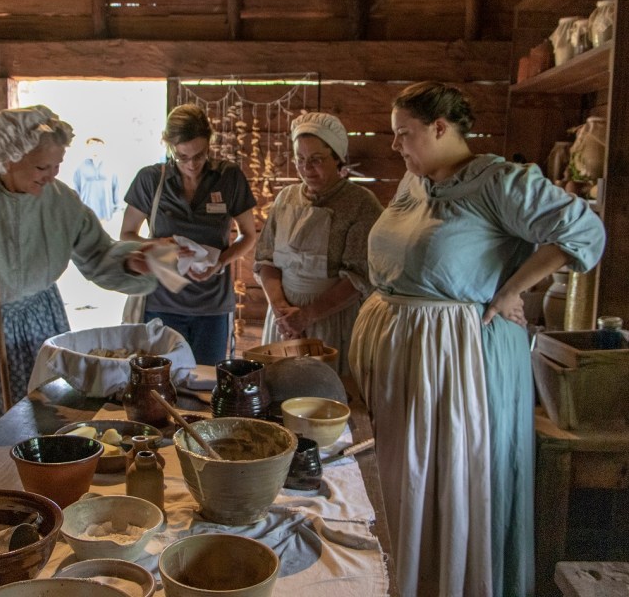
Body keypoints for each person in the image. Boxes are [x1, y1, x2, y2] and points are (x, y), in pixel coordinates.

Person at [348, 81, 606, 597]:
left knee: (451, 479)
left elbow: (584, 230)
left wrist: (513, 287)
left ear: (441, 128)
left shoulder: (499, 183)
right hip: (410, 364)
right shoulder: (415, 180)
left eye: (405, 134)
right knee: (410, 481)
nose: (396, 146)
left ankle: (456, 582)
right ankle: (413, 578)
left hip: (458, 362)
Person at [0, 105, 157, 477]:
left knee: (46, 418)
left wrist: (130, 260)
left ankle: (47, 494)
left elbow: (99, 253)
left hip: (40, 322)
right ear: (10, 157)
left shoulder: (60, 201)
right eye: (42, 167)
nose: (51, 176)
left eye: (57, 166)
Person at [120, 103, 258, 365]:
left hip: (213, 307)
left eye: (200, 155)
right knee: (160, 382)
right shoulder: (150, 180)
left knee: (208, 384)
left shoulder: (228, 177)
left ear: (209, 144)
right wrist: (158, 245)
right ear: (168, 145)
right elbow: (126, 235)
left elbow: (248, 235)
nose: (192, 165)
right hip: (161, 305)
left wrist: (220, 262)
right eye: (182, 157)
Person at [253, 112, 383, 377]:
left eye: (316, 160)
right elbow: (266, 260)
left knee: (325, 395)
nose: (306, 169)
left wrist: (308, 316)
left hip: (331, 320)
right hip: (283, 319)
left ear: (337, 158)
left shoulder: (361, 204)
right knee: (278, 393)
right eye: (300, 159)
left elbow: (358, 278)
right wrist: (282, 312)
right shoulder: (286, 198)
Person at [72, 137, 120, 222]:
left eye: (98, 145)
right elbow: (76, 191)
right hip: (86, 215)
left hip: (107, 215)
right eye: (91, 145)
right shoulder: (80, 169)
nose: (94, 149)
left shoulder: (111, 168)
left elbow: (116, 190)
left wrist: (117, 209)